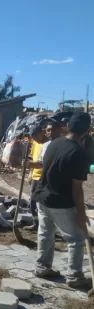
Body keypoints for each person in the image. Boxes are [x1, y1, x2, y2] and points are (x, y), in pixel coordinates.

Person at [33, 112, 91, 287]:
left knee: (45, 233)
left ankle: (42, 267)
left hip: (42, 197)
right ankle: (74, 277)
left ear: (68, 126)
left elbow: (46, 168)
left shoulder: (54, 144)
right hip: (61, 203)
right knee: (76, 239)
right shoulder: (78, 153)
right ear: (86, 131)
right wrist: (81, 213)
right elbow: (77, 188)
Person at [24, 124, 47, 230]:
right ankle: (36, 223)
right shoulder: (34, 143)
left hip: (44, 178)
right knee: (32, 202)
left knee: (43, 204)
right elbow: (33, 159)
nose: (34, 139)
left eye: (36, 136)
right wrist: (30, 174)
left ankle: (45, 226)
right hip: (35, 177)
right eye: (32, 137)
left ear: (42, 133)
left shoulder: (48, 144)